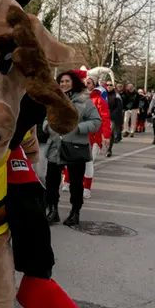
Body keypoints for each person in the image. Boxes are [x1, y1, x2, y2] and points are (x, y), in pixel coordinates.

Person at [44, 70, 101, 227]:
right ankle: (53, 210)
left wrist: (77, 128)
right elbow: (46, 119)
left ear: (74, 82)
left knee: (76, 182)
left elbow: (96, 121)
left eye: (67, 81)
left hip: (76, 147)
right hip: (55, 146)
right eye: (61, 81)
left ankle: (75, 211)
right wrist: (47, 127)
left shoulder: (84, 101)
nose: (64, 84)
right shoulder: (54, 100)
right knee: (51, 181)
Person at [83, 74, 111, 199]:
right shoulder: (78, 98)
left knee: (88, 163)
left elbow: (105, 119)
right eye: (85, 83)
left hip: (94, 137)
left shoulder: (100, 100)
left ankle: (87, 189)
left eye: (89, 83)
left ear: (94, 85)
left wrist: (106, 136)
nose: (86, 85)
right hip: (80, 136)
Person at [105, 80, 123, 154]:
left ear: (113, 86)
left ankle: (109, 149)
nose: (109, 86)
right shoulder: (103, 94)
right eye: (107, 85)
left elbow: (119, 108)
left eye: (110, 85)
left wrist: (111, 114)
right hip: (102, 117)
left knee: (110, 133)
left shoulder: (117, 96)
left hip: (111, 117)